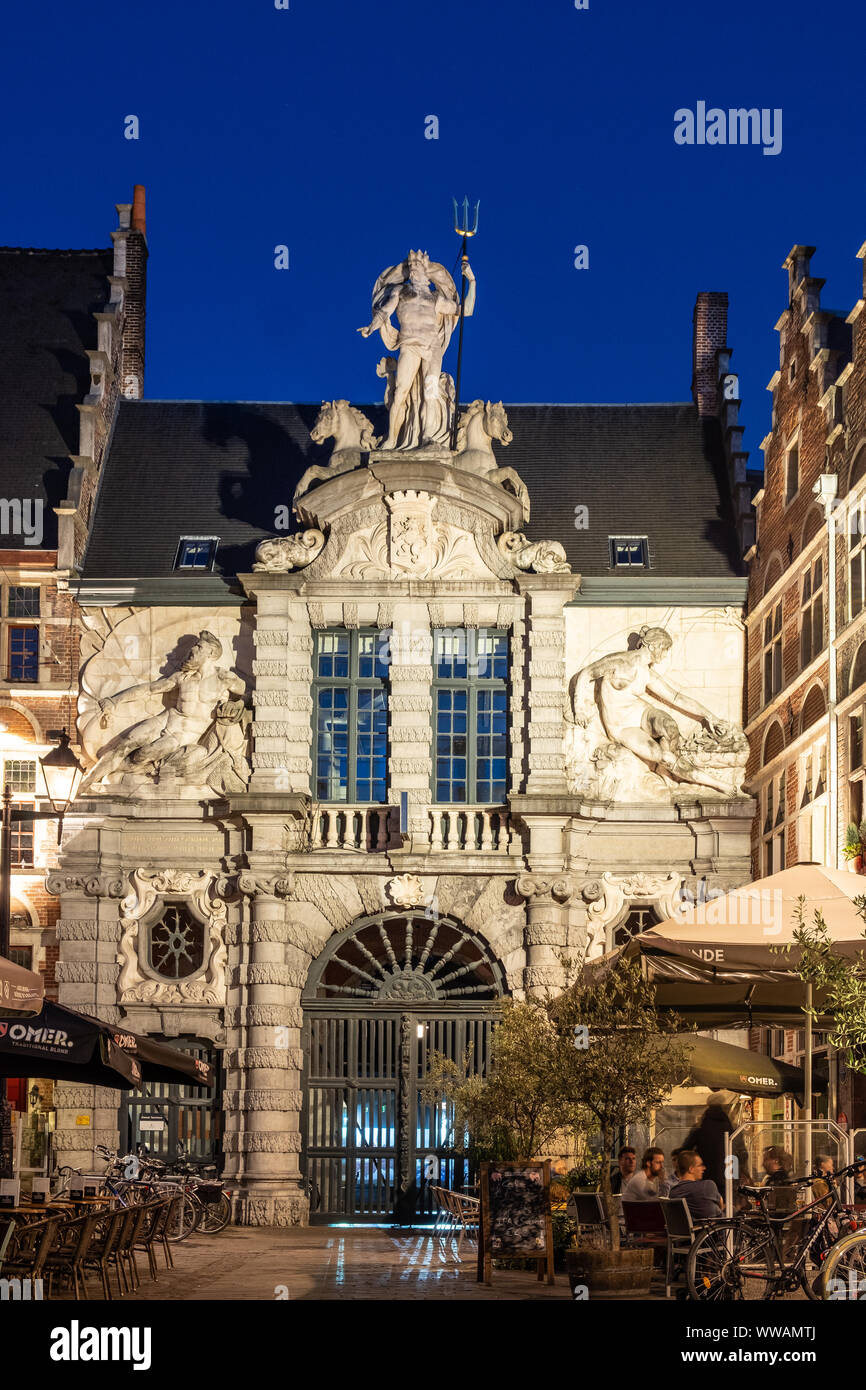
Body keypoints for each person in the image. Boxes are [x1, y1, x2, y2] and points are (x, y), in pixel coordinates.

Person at [680, 1093, 735, 1192]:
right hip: (726, 1175)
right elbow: (740, 1153)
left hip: (704, 1175)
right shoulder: (730, 1127)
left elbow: (686, 1149)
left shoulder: (701, 1126)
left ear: (708, 1105)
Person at [668, 1149, 724, 1220]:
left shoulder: (673, 1192)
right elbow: (721, 1204)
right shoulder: (707, 1185)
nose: (704, 1168)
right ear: (691, 1169)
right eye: (700, 1165)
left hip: (688, 1227)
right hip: (713, 1225)